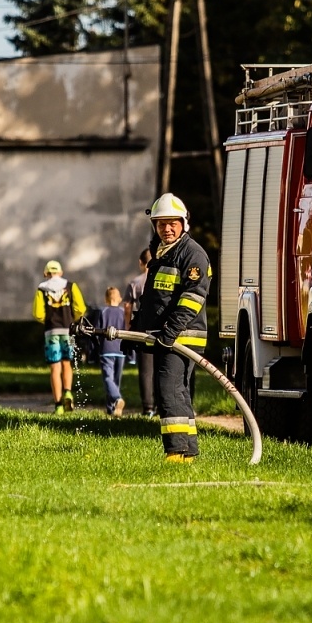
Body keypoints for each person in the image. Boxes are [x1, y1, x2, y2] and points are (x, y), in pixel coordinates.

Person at [132, 193, 211, 462]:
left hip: (182, 336)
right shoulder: (161, 253)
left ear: (183, 223)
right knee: (177, 390)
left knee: (169, 390)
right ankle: (188, 451)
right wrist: (136, 331)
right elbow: (153, 300)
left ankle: (176, 452)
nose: (166, 228)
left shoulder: (191, 254)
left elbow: (192, 299)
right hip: (166, 336)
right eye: (161, 223)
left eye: (172, 223)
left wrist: (170, 332)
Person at [32, 259, 85, 414]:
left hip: (51, 332)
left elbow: (38, 313)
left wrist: (47, 321)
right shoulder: (70, 286)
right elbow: (80, 307)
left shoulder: (42, 289)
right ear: (61, 272)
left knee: (55, 367)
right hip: (68, 330)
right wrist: (72, 319)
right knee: (67, 363)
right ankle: (68, 391)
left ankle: (58, 405)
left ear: (46, 274)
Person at [125, 248, 156, 417]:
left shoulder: (135, 282)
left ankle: (148, 407)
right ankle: (160, 403)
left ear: (140, 262)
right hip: (160, 328)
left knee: (146, 370)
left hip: (142, 328)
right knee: (161, 367)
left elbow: (128, 306)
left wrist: (127, 328)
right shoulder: (160, 278)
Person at [93, 286, 128, 416]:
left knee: (108, 378)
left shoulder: (102, 311)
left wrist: (94, 348)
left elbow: (96, 332)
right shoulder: (123, 312)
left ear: (106, 299)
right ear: (118, 299)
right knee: (116, 381)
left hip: (106, 349)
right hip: (120, 350)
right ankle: (112, 409)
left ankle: (117, 399)